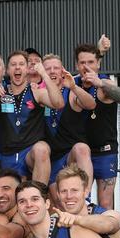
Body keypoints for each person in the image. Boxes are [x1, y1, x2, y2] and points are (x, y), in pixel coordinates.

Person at [0, 50, 64, 184]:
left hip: (30, 153)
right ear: (7, 70)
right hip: (8, 154)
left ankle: (39, 194)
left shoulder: (36, 92)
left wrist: (44, 75)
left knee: (42, 148)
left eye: (21, 64)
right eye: (13, 64)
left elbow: (58, 103)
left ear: (27, 69)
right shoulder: (0, 91)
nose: (17, 67)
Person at [74, 43, 120, 209]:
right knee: (80, 201)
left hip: (105, 151)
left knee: (105, 203)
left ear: (98, 64)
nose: (86, 66)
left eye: (91, 62)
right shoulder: (73, 83)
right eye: (82, 63)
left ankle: (110, 235)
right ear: (77, 65)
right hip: (81, 153)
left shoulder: (105, 82)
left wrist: (101, 84)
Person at [40, 54, 96, 205]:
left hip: (69, 157)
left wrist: (73, 86)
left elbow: (91, 105)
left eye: (56, 68)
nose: (52, 71)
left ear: (62, 71)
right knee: (60, 206)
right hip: (49, 161)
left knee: (82, 148)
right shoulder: (37, 93)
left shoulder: (70, 92)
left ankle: (87, 197)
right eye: (48, 68)